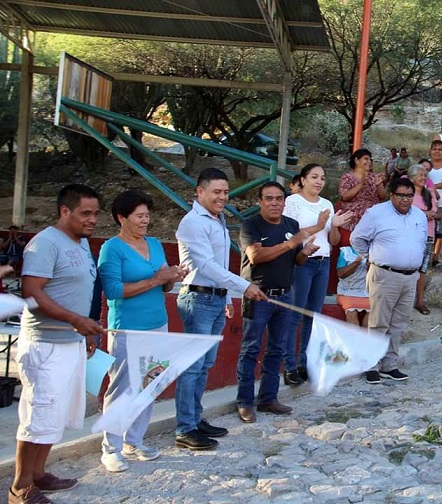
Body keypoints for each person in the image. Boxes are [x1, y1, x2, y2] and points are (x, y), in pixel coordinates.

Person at [10, 184, 106, 504]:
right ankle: (20, 487)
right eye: (85, 213)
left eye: (95, 213)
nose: (92, 219)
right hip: (45, 344)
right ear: (64, 211)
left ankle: (39, 474)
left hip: (71, 342)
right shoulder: (45, 244)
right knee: (38, 415)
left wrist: (86, 329)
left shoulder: (79, 244)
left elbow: (79, 293)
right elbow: (33, 294)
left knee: (56, 414)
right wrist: (75, 320)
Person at [174, 168, 266, 451]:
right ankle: (184, 428)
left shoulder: (219, 220)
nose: (222, 197)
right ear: (199, 192)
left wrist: (226, 298)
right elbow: (206, 266)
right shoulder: (192, 223)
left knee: (204, 367)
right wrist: (243, 286)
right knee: (192, 367)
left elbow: (220, 264)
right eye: (216, 192)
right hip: (197, 299)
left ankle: (195, 419)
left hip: (214, 299)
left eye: (225, 192)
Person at [98, 190, 187, 472]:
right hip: (127, 327)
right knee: (122, 387)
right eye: (139, 216)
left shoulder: (154, 244)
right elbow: (113, 291)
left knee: (150, 385)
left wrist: (171, 277)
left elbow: (164, 284)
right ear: (121, 218)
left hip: (157, 323)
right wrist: (155, 279)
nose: (145, 220)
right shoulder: (112, 248)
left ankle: (133, 441)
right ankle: (110, 447)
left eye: (147, 215)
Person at [236, 181, 320, 423]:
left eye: (279, 199)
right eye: (269, 198)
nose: (274, 203)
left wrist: (304, 252)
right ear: (260, 202)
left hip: (285, 294)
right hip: (258, 294)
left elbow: (297, 261)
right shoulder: (251, 224)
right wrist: (290, 244)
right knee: (251, 348)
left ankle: (268, 398)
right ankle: (244, 402)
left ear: (285, 202)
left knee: (277, 349)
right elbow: (255, 256)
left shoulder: (291, 225)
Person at [351, 178, 427, 384]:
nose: (405, 199)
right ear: (391, 194)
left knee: (399, 323)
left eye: (409, 195)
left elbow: (423, 244)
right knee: (378, 322)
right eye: (401, 195)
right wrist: (372, 258)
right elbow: (356, 239)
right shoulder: (376, 213)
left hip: (410, 276)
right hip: (385, 274)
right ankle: (371, 365)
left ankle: (389, 364)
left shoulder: (419, 216)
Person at [283, 164, 353, 385]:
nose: (319, 181)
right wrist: (320, 224)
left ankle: (305, 361)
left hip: (323, 263)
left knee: (312, 316)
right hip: (302, 262)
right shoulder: (293, 202)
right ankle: (289, 365)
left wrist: (334, 225)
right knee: (295, 314)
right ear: (303, 180)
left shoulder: (327, 204)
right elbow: (289, 234)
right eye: (314, 177)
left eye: (322, 178)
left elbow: (332, 241)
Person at [338, 148, 386, 245]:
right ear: (356, 160)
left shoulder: (374, 177)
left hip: (371, 224)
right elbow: (345, 197)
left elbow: (382, 197)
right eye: (366, 159)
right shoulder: (347, 177)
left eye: (370, 160)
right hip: (351, 224)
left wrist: (379, 184)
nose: (369, 162)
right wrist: (361, 184)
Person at [408, 164, 438, 315]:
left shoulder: (429, 194)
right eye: (420, 175)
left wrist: (429, 214)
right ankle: (405, 300)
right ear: (412, 178)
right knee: (408, 267)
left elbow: (437, 213)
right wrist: (425, 213)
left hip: (428, 235)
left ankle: (419, 301)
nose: (423, 177)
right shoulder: (407, 194)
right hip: (411, 236)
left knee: (422, 269)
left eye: (424, 175)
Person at [336, 244, 370, 327]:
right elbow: (341, 274)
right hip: (347, 292)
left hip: (366, 292)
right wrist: (356, 263)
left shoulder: (373, 252)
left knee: (372, 312)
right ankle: (354, 339)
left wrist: (370, 267)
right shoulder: (346, 251)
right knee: (351, 311)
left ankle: (365, 339)